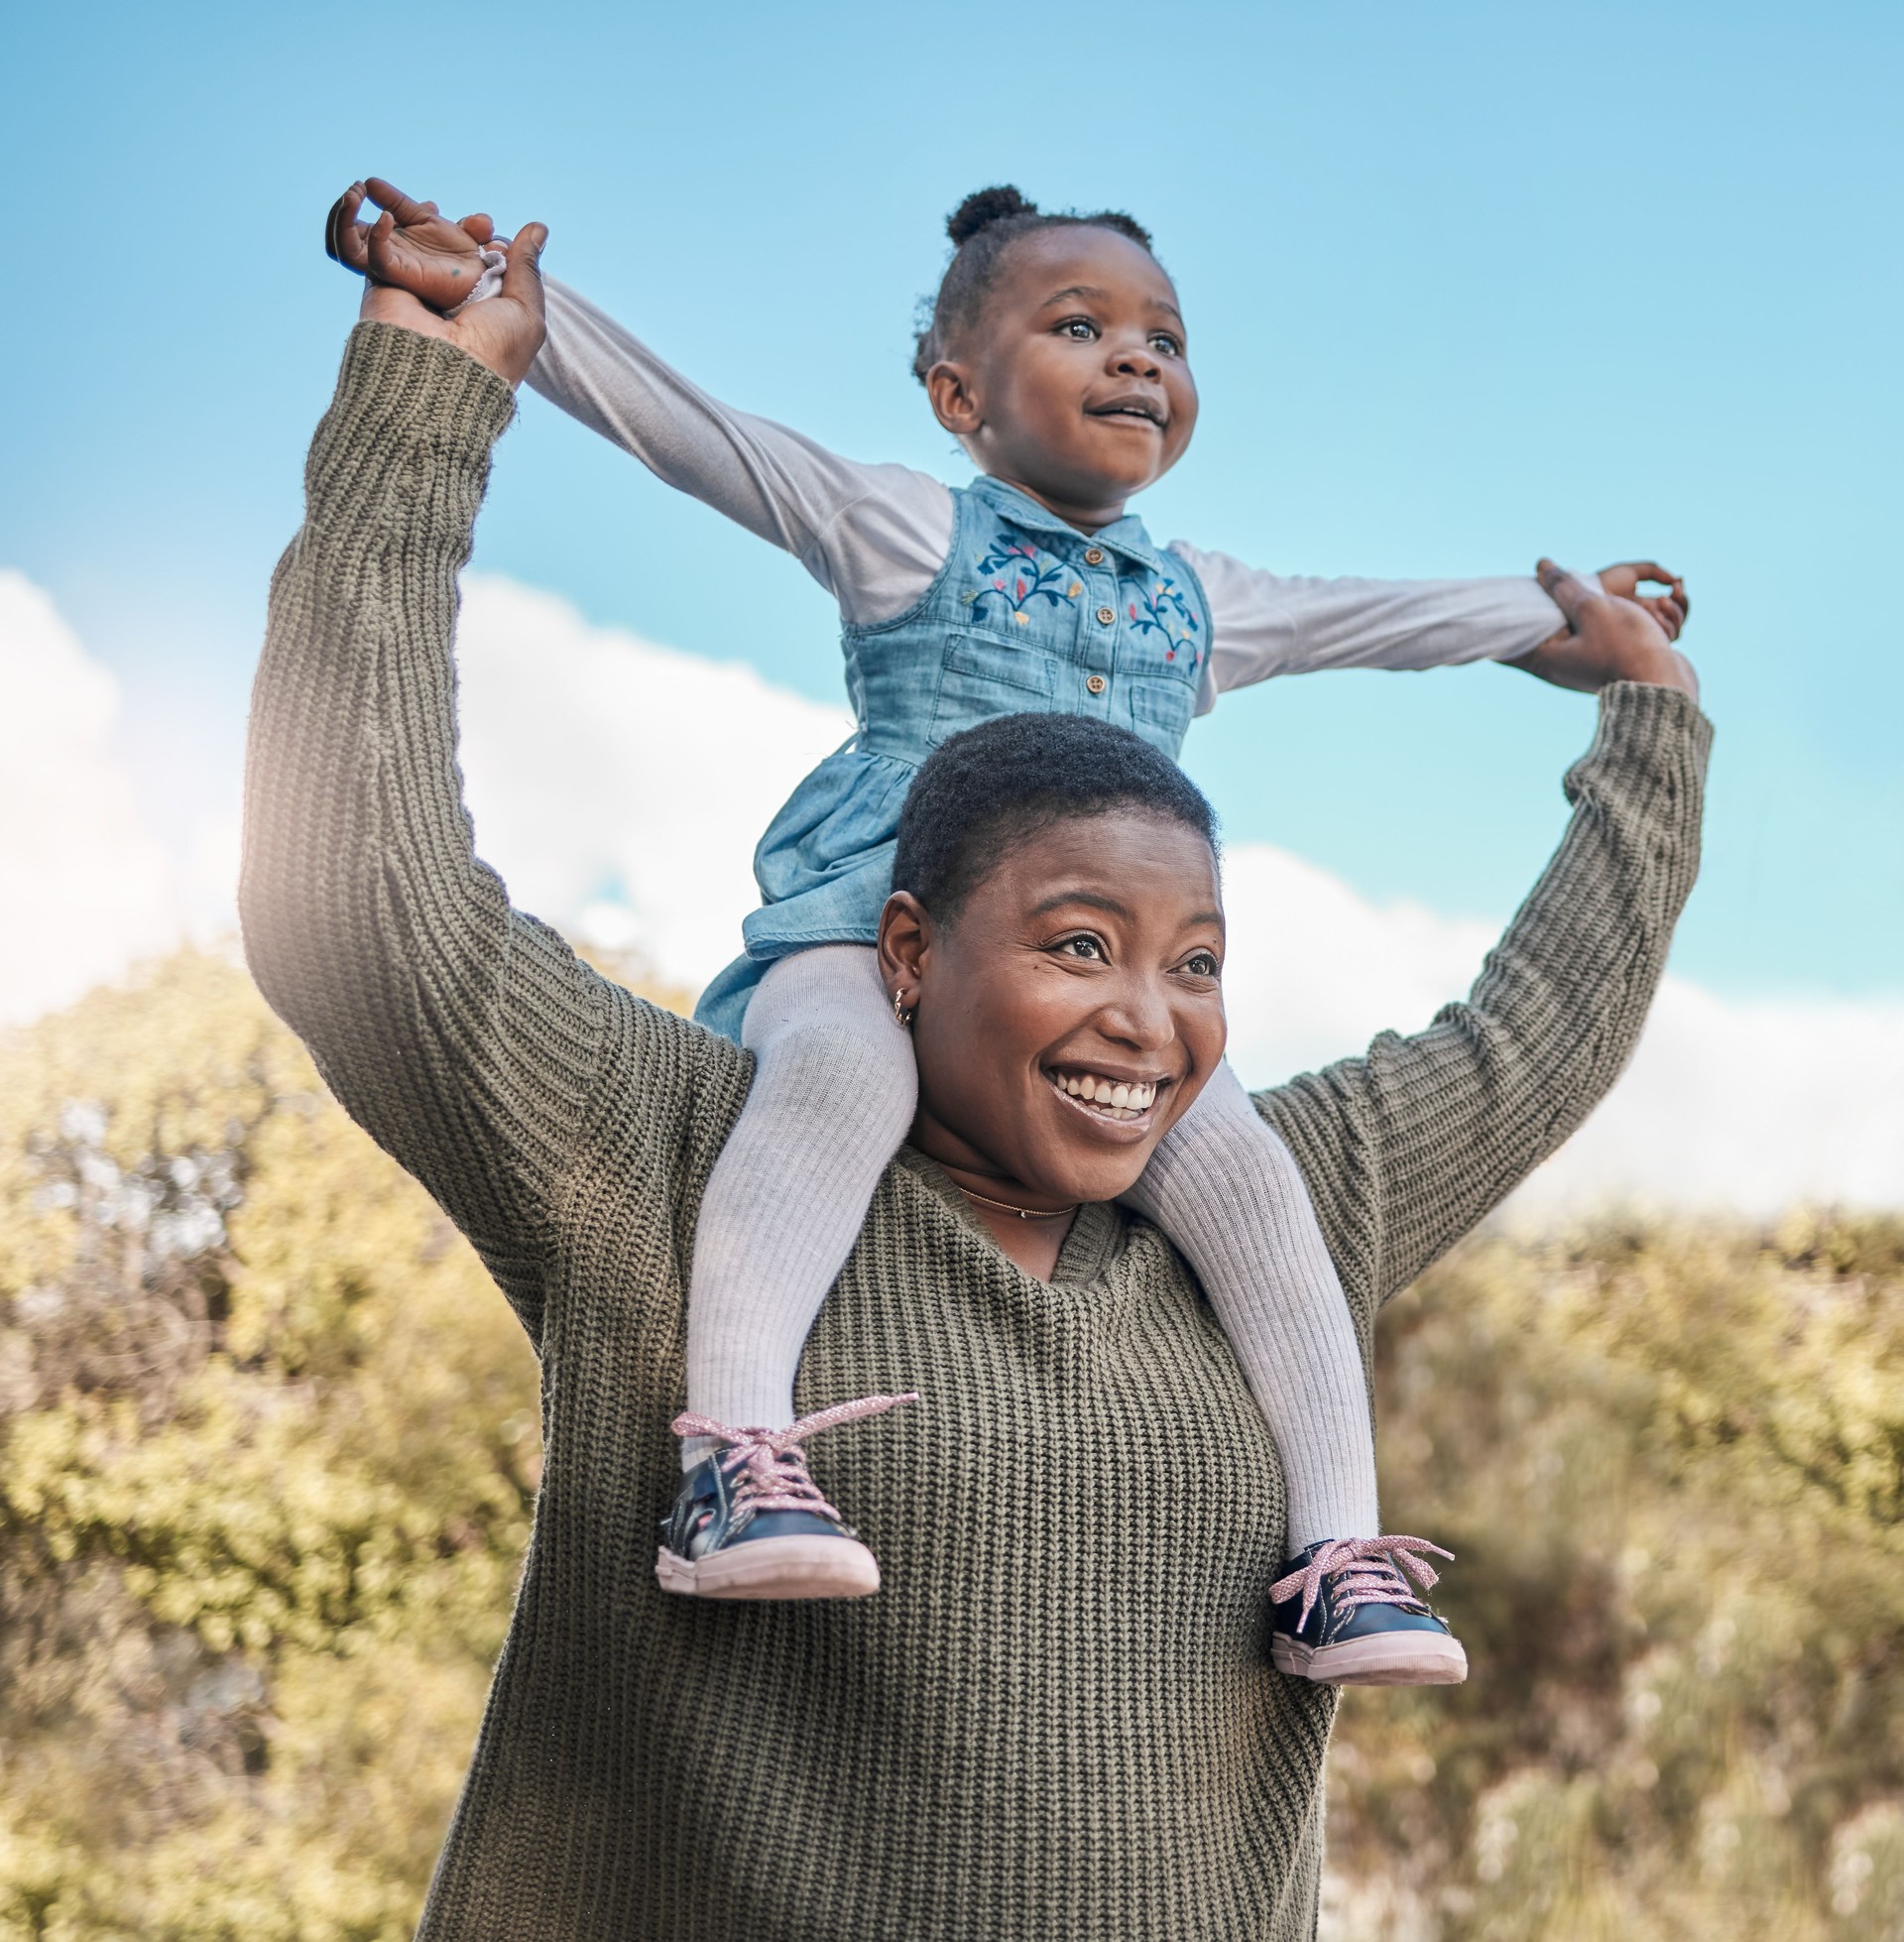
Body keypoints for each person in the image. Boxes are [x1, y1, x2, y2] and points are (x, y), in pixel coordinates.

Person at [243, 219, 1708, 1937]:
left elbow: (1527, 1028)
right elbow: (356, 893)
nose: (1146, 1019)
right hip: (801, 1018)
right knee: (830, 1090)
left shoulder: (1278, 1198)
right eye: (1077, 945)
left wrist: (1638, 699)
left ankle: (1342, 1556)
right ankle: (744, 1455)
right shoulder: (665, 1152)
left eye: (1198, 962)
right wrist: (439, 387)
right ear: (919, 948)